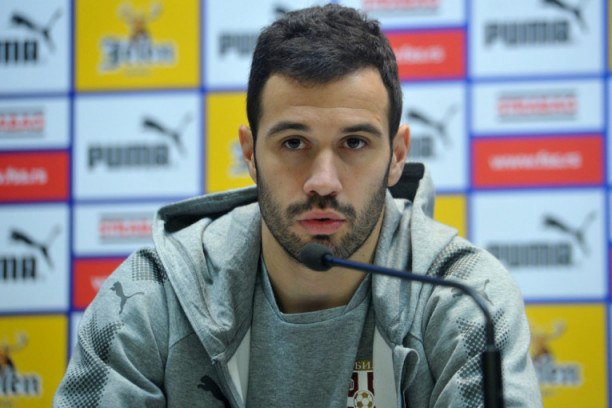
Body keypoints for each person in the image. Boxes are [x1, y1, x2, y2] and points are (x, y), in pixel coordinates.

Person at [54, 4, 542, 407]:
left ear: (396, 157)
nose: (322, 181)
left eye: (354, 143)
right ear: (250, 154)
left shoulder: (466, 299)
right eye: (293, 143)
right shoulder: (148, 297)